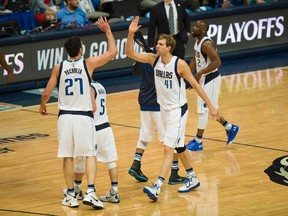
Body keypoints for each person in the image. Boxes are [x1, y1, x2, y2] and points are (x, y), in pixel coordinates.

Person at [125, 16, 220, 201]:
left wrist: (211, 107)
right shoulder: (153, 60)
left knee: (168, 149)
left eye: (160, 44)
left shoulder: (180, 64)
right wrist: (130, 34)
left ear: (168, 47)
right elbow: (130, 53)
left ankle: (157, 186)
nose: (157, 46)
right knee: (179, 146)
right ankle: (192, 177)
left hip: (178, 110)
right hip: (163, 111)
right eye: (157, 43)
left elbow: (197, 86)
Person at [39, 16, 117, 208]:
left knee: (67, 156)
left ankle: (71, 196)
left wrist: (42, 105)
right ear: (80, 50)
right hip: (83, 117)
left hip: (65, 116)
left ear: (67, 51)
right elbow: (113, 52)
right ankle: (90, 191)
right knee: (90, 154)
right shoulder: (88, 64)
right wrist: (107, 31)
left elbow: (47, 91)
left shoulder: (59, 67)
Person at [128, 33, 186, 185]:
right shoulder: (157, 61)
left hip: (143, 101)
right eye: (158, 44)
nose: (159, 47)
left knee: (144, 136)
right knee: (169, 140)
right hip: (159, 104)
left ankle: (136, 163)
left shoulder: (146, 59)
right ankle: (174, 173)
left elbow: (134, 71)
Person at [186, 20, 240, 151]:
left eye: (198, 27)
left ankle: (198, 141)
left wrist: (200, 74)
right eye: (195, 25)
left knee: (202, 111)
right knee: (210, 110)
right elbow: (195, 58)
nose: (194, 28)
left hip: (210, 79)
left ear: (203, 31)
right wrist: (187, 74)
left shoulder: (206, 43)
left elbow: (217, 62)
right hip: (204, 78)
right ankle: (230, 127)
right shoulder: (198, 41)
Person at [64, 81, 120, 205]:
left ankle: (77, 189)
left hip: (93, 128)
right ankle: (114, 192)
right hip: (106, 127)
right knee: (111, 161)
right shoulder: (101, 86)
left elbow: (92, 108)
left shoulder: (88, 89)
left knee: (80, 158)